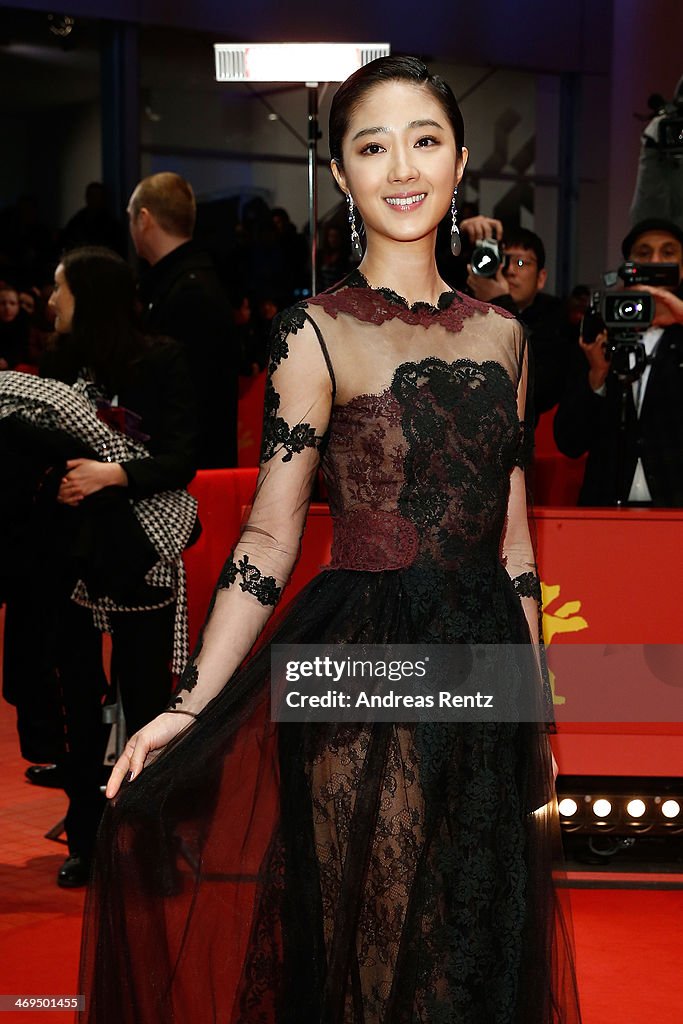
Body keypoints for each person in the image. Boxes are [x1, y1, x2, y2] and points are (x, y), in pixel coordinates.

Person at [80, 58, 581, 1022]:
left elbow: (514, 544)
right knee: (375, 947)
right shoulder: (313, 333)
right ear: (344, 175)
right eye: (372, 145)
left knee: (473, 939)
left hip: (480, 664)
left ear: (460, 159)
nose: (402, 166)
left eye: (424, 140)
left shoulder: (504, 338)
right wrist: (189, 707)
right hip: (363, 662)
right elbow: (268, 537)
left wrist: (533, 707)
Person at [0, 247, 199, 887]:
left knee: (145, 704)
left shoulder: (163, 360)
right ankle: (85, 839)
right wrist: (61, 480)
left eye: (60, 288)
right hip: (72, 562)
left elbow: (180, 461)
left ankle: (149, 842)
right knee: (80, 713)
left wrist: (109, 473)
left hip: (142, 558)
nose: (51, 301)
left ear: (89, 296)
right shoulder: (59, 366)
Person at [554, 218, 683, 506]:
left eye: (668, 253)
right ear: (629, 266)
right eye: (645, 253)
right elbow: (569, 441)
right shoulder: (601, 330)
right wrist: (596, 377)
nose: (656, 262)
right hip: (607, 508)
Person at [128, 172, 239, 467]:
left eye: (130, 218)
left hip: (189, 469)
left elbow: (189, 395)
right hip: (186, 462)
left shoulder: (189, 290)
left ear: (143, 218)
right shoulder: (185, 281)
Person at [466, 222, 574, 420]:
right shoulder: (466, 309)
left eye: (522, 263)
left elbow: (540, 390)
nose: (510, 271)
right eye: (503, 260)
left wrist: (500, 304)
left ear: (541, 278)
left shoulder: (555, 318)